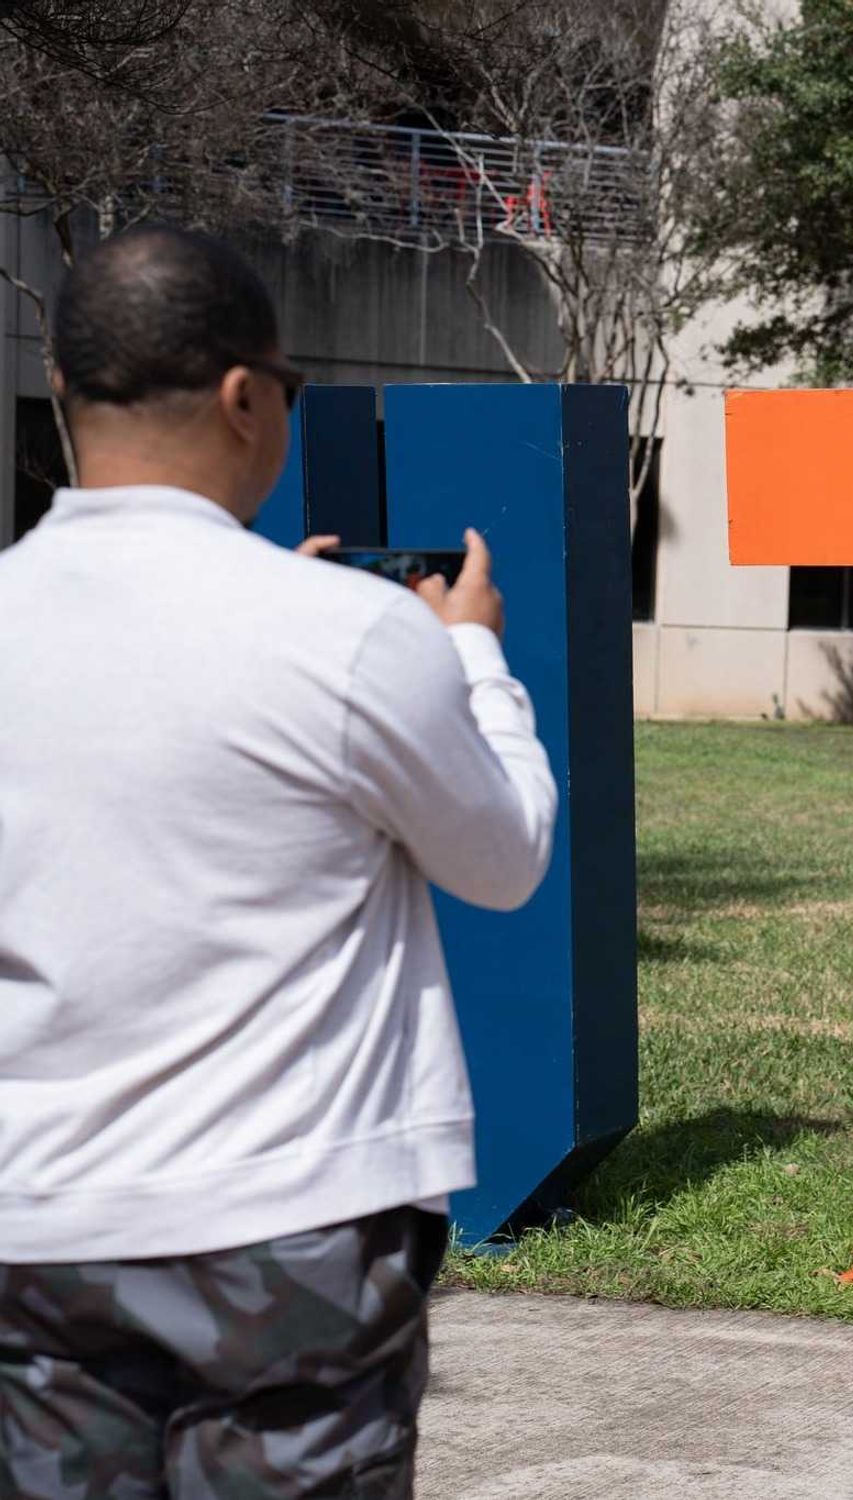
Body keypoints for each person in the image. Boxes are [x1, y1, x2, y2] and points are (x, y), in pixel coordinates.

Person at [0, 225, 557, 1497]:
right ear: (249, 397)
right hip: (287, 1231)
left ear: (61, 396)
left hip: (34, 1227)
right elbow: (506, 858)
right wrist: (466, 655)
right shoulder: (353, 634)